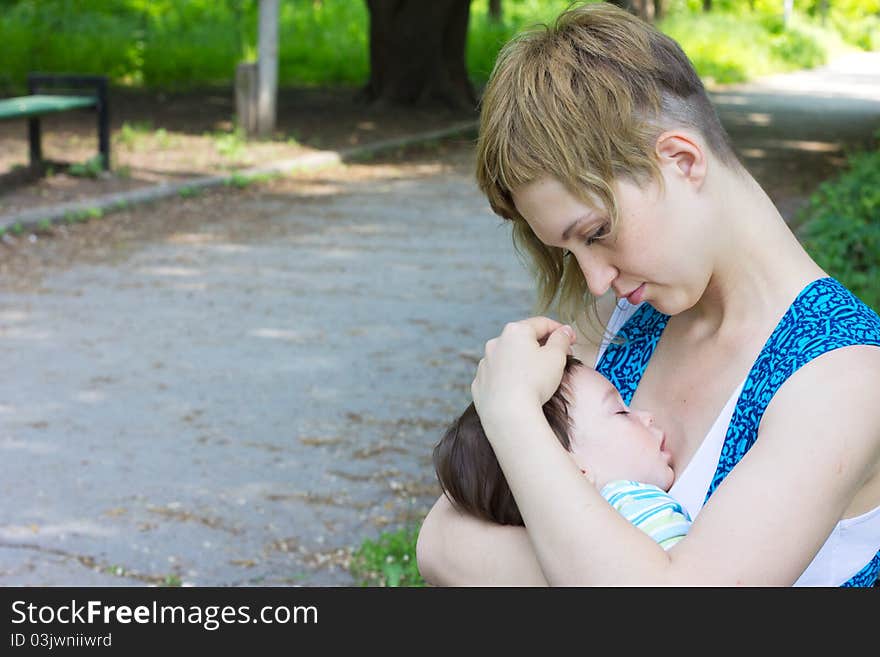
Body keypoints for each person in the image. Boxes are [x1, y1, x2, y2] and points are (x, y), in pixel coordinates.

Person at [416, 2, 880, 586]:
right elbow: (441, 541)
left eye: (597, 233)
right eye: (569, 252)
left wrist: (510, 415)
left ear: (682, 160)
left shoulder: (845, 376)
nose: (595, 280)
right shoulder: (629, 320)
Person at [433, 356, 691, 551]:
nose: (646, 416)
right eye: (621, 412)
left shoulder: (547, 544)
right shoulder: (638, 508)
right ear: (574, 471)